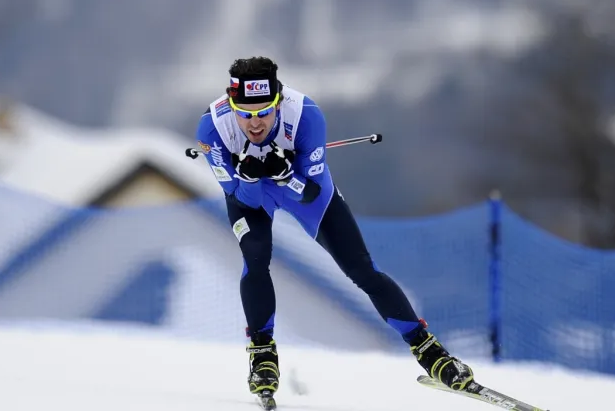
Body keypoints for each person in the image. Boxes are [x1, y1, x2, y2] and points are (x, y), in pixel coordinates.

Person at [194, 56, 473, 398]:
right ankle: (263, 355)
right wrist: (251, 177)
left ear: (279, 103)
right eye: (246, 114)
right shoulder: (212, 128)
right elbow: (243, 199)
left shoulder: (306, 115)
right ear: (232, 105)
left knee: (362, 270)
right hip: (250, 195)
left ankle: (429, 351)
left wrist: (285, 176)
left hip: (304, 191)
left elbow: (310, 193)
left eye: (265, 112)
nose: (255, 123)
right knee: (256, 255)